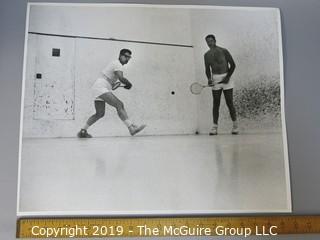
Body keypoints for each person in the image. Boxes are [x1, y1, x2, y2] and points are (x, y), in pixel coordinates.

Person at [77, 49, 146, 138]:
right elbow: (121, 78)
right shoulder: (117, 64)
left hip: (99, 87)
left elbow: (112, 86)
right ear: (120, 56)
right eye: (125, 56)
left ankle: (83, 131)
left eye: (129, 57)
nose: (127, 59)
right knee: (119, 104)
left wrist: (122, 85)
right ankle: (131, 128)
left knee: (100, 113)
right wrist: (128, 83)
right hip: (101, 87)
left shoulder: (115, 65)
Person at [204, 34, 239, 135]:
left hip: (227, 77)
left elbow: (233, 65)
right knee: (216, 103)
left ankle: (235, 126)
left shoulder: (224, 51)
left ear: (215, 40)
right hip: (215, 79)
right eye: (207, 42)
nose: (209, 43)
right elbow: (207, 69)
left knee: (229, 102)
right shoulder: (206, 55)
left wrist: (227, 77)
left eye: (211, 41)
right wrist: (209, 79)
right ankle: (214, 127)